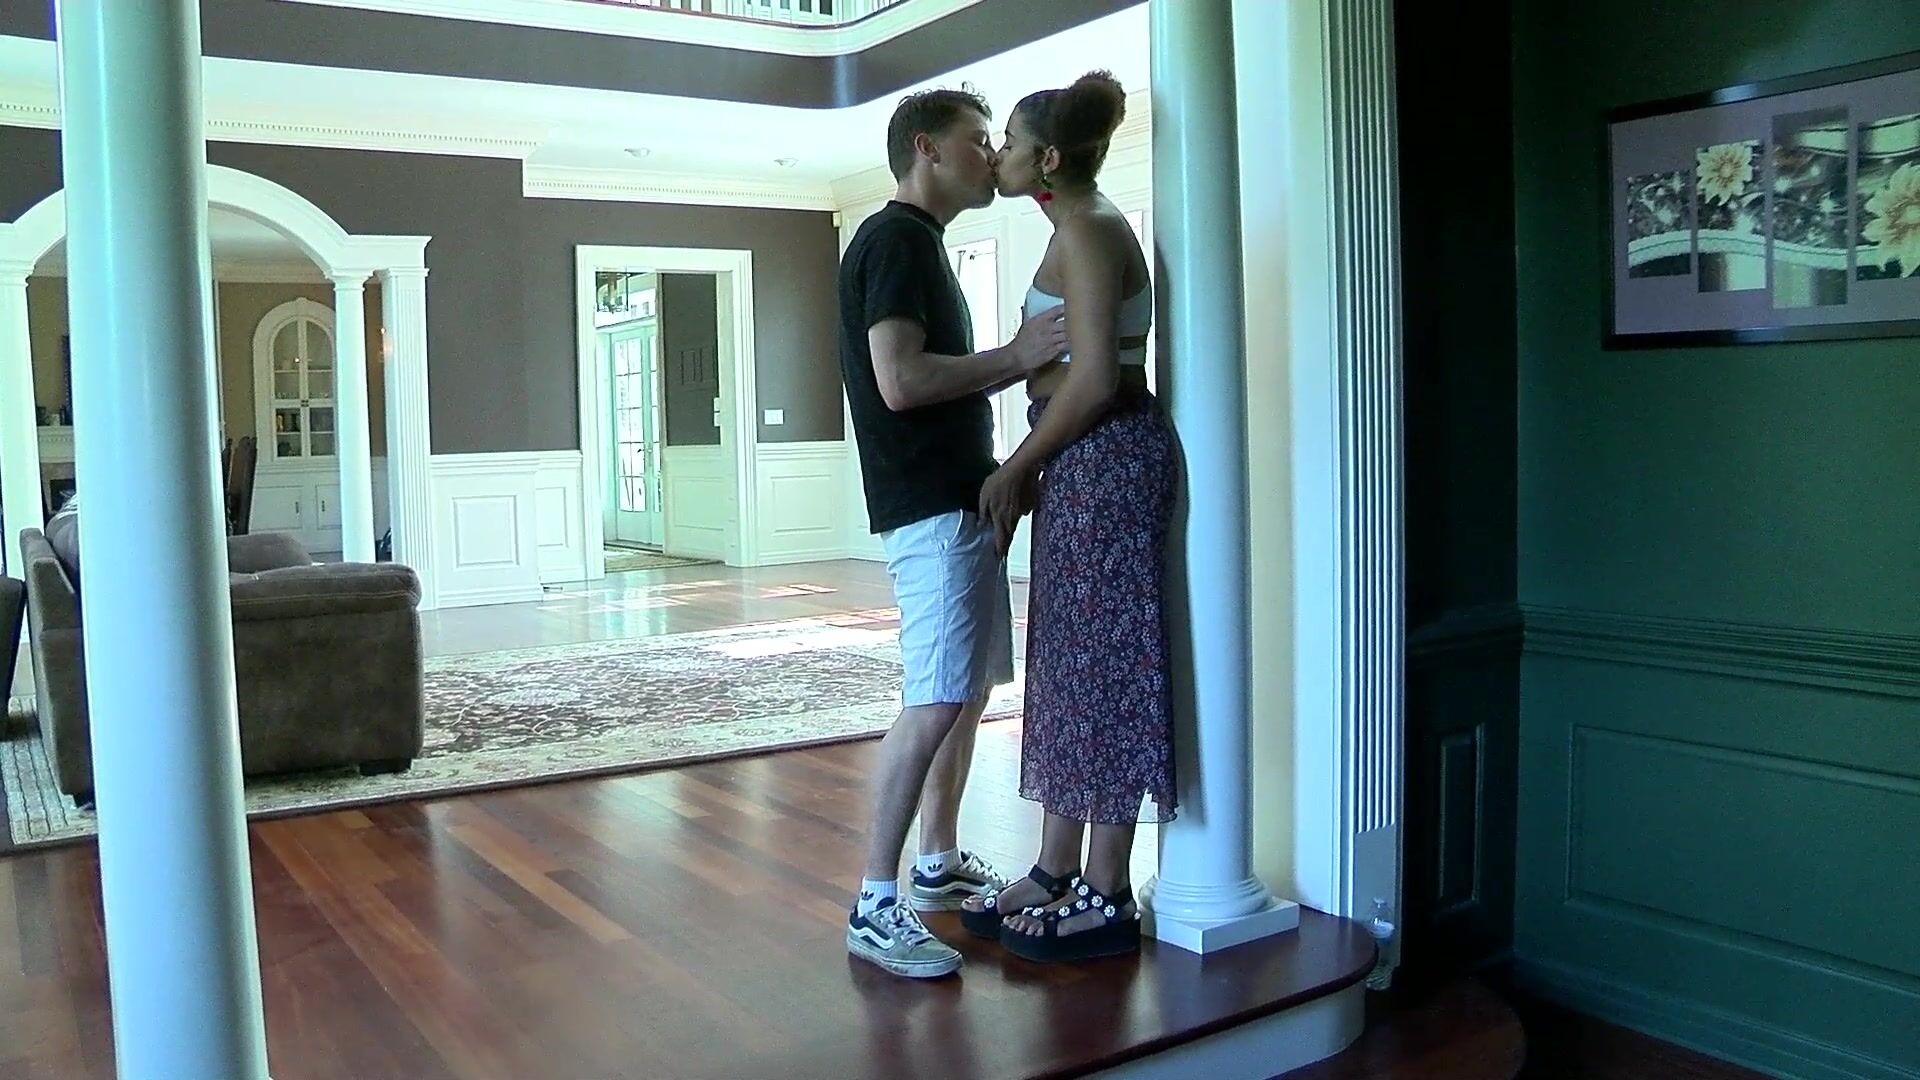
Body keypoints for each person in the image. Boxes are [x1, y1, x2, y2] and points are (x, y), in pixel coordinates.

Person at [840, 85, 1070, 979]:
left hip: (959, 501)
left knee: (967, 689)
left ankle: (934, 861)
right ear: (927, 148)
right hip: (931, 508)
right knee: (936, 696)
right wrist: (1018, 356)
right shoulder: (896, 240)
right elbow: (899, 382)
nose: (992, 153)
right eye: (978, 138)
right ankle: (874, 902)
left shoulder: (918, 244)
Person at [960, 71, 1178, 964]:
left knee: (1106, 667)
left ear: (1047, 158)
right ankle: (1056, 868)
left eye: (1009, 143)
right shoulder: (1075, 226)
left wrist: (1018, 465)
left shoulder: (1089, 229)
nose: (998, 156)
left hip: (1105, 453)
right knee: (1069, 660)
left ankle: (1108, 889)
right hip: (1082, 456)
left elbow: (1093, 378)